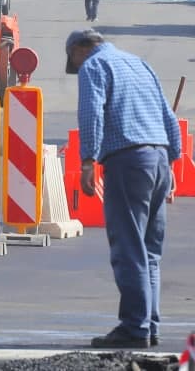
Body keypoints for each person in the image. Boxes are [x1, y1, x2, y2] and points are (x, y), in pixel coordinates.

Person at [67, 29, 181, 349]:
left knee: (128, 248)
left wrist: (88, 160)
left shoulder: (94, 67)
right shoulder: (138, 64)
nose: (75, 67)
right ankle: (149, 325)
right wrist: (172, 160)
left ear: (80, 49)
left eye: (73, 61)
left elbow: (91, 113)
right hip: (158, 158)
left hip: (128, 161)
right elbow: (167, 115)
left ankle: (134, 326)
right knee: (149, 251)